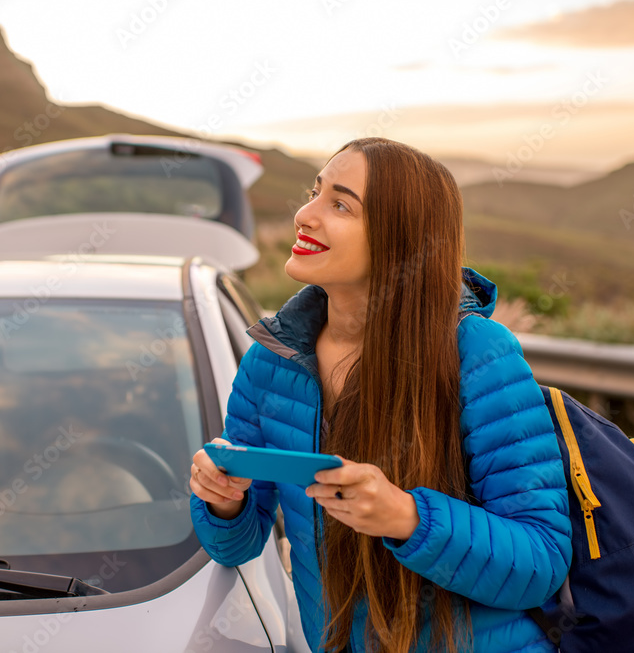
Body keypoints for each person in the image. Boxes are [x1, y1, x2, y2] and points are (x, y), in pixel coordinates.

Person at [189, 137, 571, 653]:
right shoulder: (270, 361)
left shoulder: (476, 353)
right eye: (315, 192)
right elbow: (234, 546)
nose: (305, 214)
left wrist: (405, 517)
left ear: (400, 240)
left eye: (340, 205)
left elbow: (540, 564)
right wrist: (223, 502)